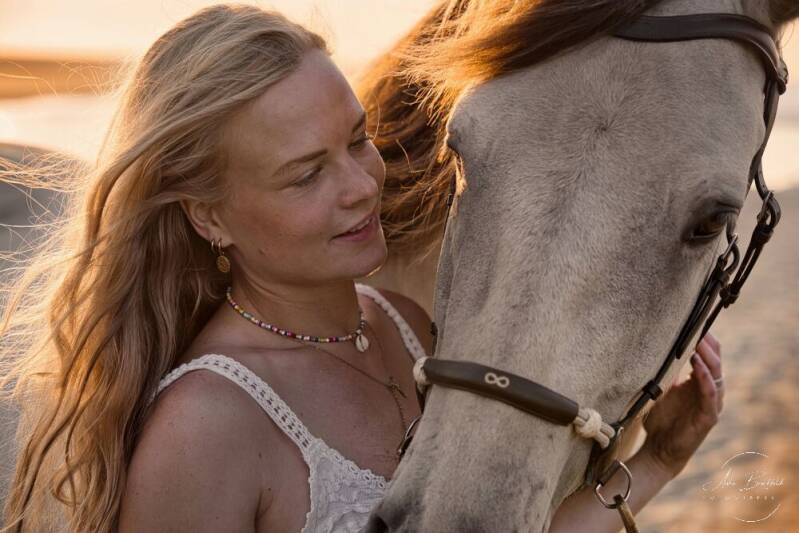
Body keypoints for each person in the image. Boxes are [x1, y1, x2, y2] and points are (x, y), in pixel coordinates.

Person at [0, 5, 725, 532]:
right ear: (208, 216)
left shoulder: (409, 331)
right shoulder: (204, 428)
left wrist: (660, 457)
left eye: (357, 140)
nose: (359, 185)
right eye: (305, 174)